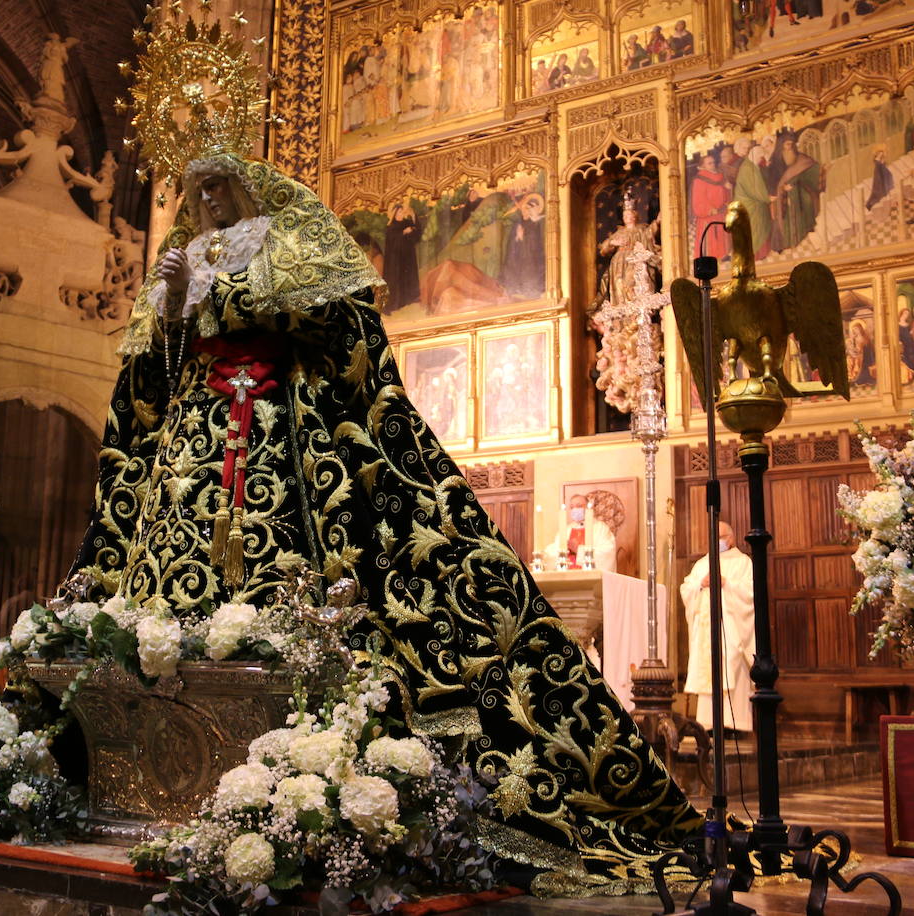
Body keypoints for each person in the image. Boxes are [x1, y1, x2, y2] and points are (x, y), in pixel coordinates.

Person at [71, 150, 700, 896]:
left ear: (246, 187)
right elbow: (157, 364)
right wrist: (175, 298)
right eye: (195, 189)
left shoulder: (294, 237)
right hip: (197, 447)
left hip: (284, 436)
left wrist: (261, 297)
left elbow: (345, 330)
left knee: (308, 572)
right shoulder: (183, 256)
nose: (206, 201)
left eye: (218, 186)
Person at [680, 522, 755, 733]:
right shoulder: (702, 564)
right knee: (710, 670)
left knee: (732, 670)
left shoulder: (743, 563)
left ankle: (734, 725)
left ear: (731, 538)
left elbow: (750, 593)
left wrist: (727, 584)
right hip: (706, 632)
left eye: (721, 536)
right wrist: (700, 585)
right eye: (713, 537)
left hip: (731, 631)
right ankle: (708, 724)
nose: (717, 541)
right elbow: (687, 589)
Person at [543, 493, 617, 572]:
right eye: (572, 507)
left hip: (591, 578)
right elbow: (552, 553)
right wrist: (562, 550)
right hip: (567, 578)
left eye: (579, 506)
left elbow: (607, 553)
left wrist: (579, 550)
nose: (575, 509)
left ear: (588, 507)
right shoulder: (566, 530)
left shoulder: (600, 528)